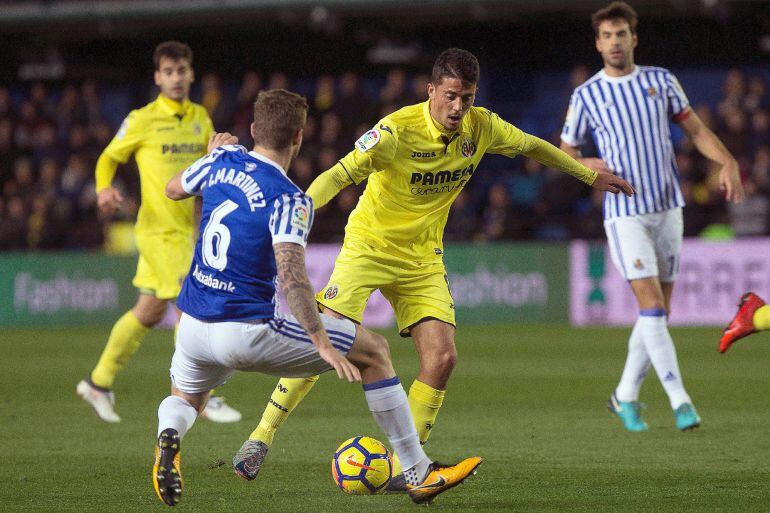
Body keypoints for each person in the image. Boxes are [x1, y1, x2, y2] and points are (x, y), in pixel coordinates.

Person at [240, 47, 633, 489]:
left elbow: (532, 146)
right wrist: (297, 215)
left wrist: (586, 173)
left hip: (422, 258)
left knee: (442, 358)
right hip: (369, 246)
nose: (458, 107)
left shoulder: (481, 127)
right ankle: (261, 435)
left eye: (466, 97)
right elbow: (337, 174)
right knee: (326, 340)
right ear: (431, 91)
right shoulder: (393, 131)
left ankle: (407, 467)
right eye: (450, 96)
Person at [152, 89, 482, 507]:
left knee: (187, 399)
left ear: (253, 130)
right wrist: (322, 341)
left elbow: (172, 190)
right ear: (298, 139)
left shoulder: (220, 161)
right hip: (245, 330)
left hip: (192, 325)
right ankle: (419, 472)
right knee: (373, 351)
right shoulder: (290, 198)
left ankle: (170, 437)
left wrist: (210, 155)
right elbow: (291, 277)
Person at [559, 2, 744, 432]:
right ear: (598, 42)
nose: (614, 42)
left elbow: (696, 130)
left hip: (668, 208)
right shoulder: (587, 94)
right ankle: (682, 403)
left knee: (657, 313)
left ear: (633, 38)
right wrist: (592, 168)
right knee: (653, 309)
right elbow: (564, 153)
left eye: (621, 34)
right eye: (606, 36)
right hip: (625, 213)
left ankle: (624, 396)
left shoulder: (661, 81)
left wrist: (729, 161)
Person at [76, 41, 241, 423]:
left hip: (190, 231)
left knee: (148, 311)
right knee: (192, 308)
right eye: (168, 72)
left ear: (191, 74)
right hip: (158, 233)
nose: (176, 78)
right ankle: (204, 394)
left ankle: (98, 383)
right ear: (157, 77)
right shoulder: (142, 119)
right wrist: (104, 188)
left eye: (182, 70)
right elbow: (108, 157)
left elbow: (209, 170)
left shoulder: (201, 117)